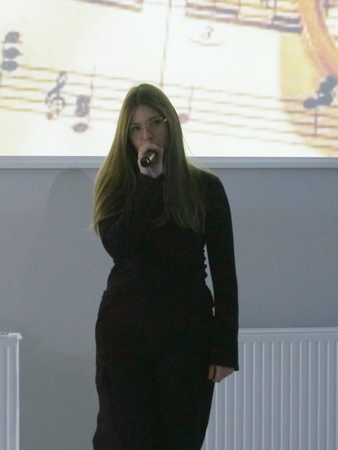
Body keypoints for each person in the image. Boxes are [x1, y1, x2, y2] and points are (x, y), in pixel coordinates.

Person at [91, 83, 239, 449]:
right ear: (126, 137)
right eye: (136, 128)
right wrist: (147, 184)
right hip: (125, 336)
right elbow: (118, 246)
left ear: (171, 125)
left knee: (179, 440)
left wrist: (225, 348)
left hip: (186, 337)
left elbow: (224, 273)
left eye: (155, 123)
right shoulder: (117, 184)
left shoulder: (205, 188)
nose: (147, 135)